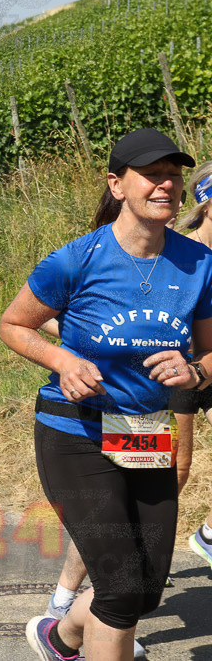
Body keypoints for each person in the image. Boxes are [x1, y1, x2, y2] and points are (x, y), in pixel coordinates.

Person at [0, 128, 212, 660]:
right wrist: (63, 360)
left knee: (145, 589)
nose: (166, 185)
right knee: (119, 588)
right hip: (75, 429)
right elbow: (14, 324)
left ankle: (60, 637)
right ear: (117, 185)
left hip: (141, 429)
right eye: (152, 175)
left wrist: (195, 373)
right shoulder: (76, 259)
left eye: (174, 176)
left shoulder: (199, 264)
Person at [167, 160, 212, 571]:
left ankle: (208, 536)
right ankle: (147, 553)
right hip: (177, 370)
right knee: (175, 469)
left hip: (211, 368)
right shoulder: (182, 253)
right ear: (206, 204)